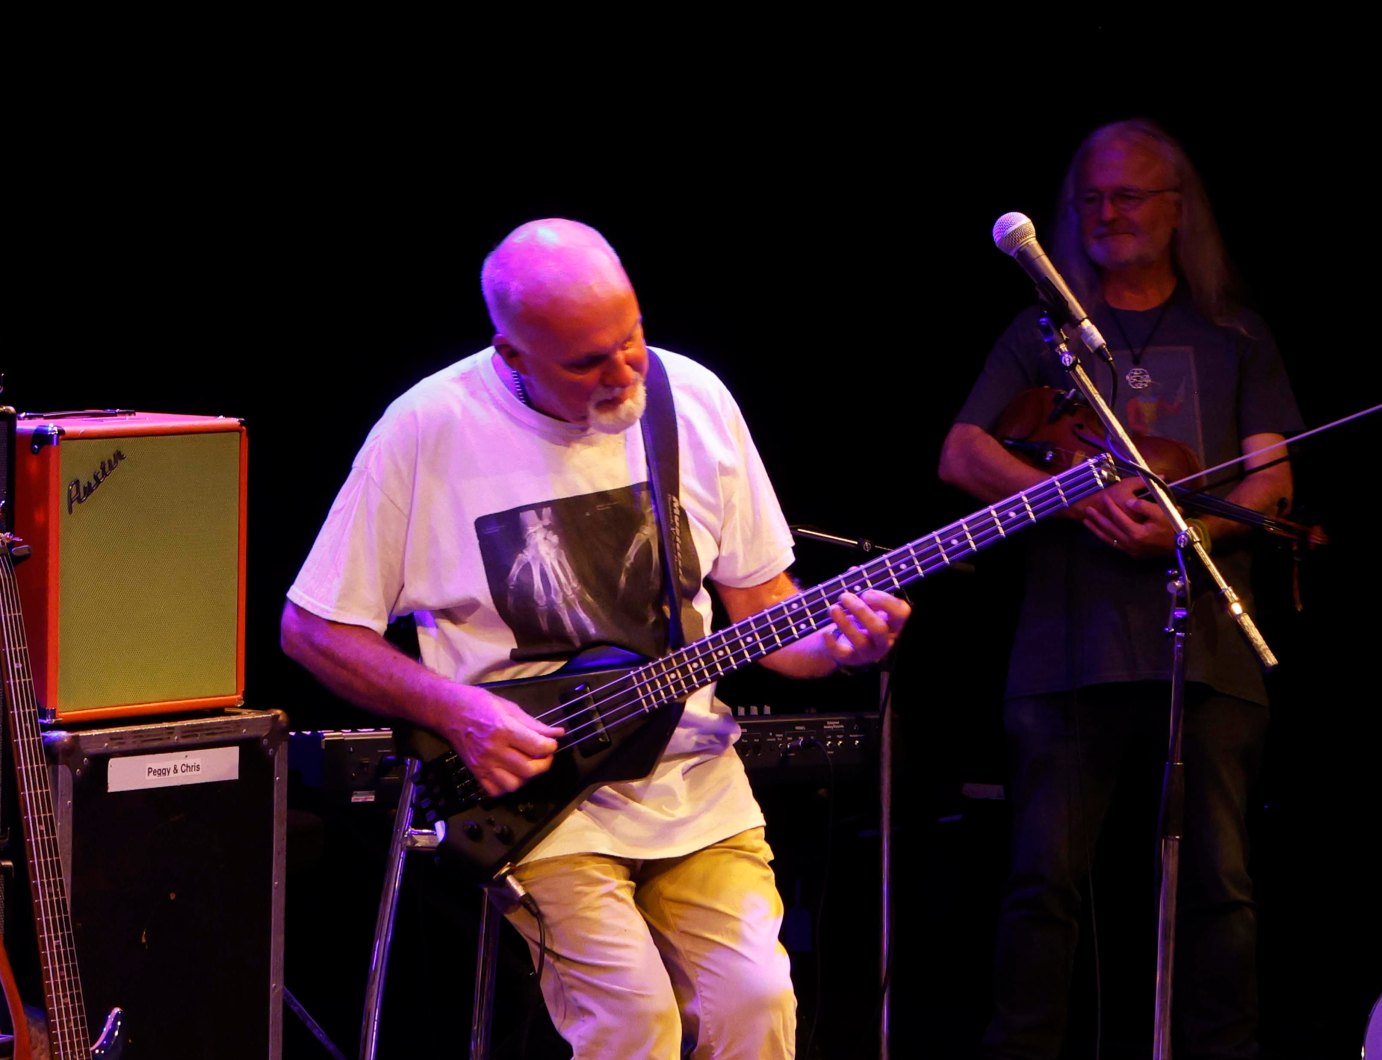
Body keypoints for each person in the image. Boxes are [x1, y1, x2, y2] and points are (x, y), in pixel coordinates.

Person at [280, 217, 910, 1059]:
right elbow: (314, 628)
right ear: (513, 356)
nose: (623, 373)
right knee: (633, 1021)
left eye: (632, 338)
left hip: (694, 782)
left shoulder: (695, 400)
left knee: (756, 1006)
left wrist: (838, 647)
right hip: (539, 806)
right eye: (586, 362)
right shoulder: (427, 428)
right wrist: (460, 712)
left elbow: (764, 608)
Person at [938, 119, 1302, 1059]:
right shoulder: (1042, 333)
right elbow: (963, 452)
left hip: (1208, 654)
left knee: (1220, 889)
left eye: (1129, 195)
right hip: (1065, 654)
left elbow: (1272, 477)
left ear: (1177, 209)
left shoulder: (1234, 334)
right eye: (1091, 198)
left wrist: (1190, 528)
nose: (1107, 213)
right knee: (1040, 888)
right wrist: (1071, 497)